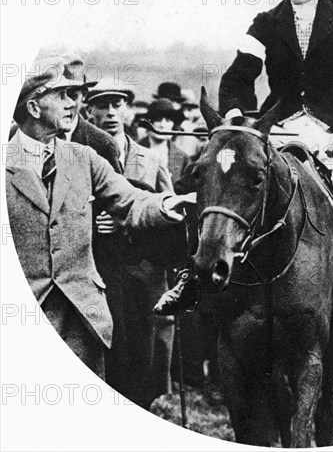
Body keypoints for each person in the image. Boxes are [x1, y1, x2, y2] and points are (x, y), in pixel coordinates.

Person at [158, 0, 333, 334]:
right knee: (224, 179)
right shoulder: (265, 22)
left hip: (331, 130)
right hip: (274, 128)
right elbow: (236, 79)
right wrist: (236, 122)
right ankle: (192, 277)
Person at [6, 60, 197, 378]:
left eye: (73, 94)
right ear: (34, 107)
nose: (73, 103)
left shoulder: (83, 158)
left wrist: (172, 204)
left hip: (85, 324)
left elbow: (132, 200)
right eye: (62, 95)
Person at [85, 78, 182, 408]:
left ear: (126, 109)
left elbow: (168, 214)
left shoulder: (150, 159)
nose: (111, 112)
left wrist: (127, 222)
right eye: (102, 105)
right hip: (102, 267)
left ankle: (149, 401)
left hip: (144, 266)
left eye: (117, 104)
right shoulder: (84, 155)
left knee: (152, 336)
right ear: (89, 111)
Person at [140, 98, 190, 188]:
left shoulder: (182, 158)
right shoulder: (134, 149)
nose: (162, 125)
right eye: (158, 120)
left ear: (173, 125)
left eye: (168, 120)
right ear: (149, 123)